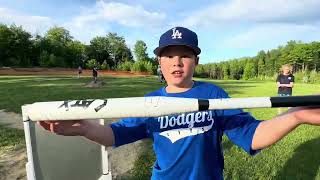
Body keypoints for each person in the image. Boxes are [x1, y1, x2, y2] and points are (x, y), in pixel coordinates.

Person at [38, 27, 320, 180]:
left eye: (184, 55)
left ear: (196, 60)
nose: (176, 61)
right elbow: (116, 134)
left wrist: (296, 116)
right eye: (168, 55)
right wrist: (86, 129)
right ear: (159, 62)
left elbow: (252, 135)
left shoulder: (215, 95)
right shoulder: (150, 103)